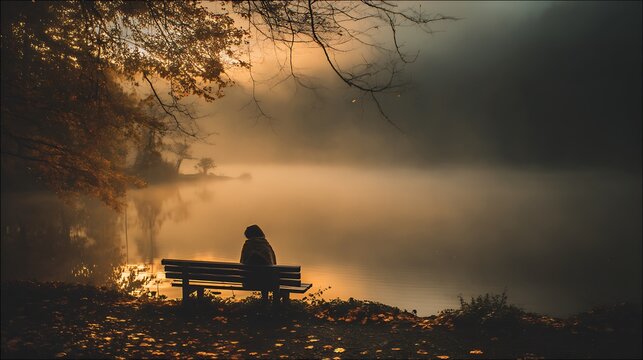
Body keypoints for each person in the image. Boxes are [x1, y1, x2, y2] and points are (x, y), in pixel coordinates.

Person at [240, 224, 277, 302]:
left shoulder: (247, 245)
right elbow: (273, 263)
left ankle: (264, 303)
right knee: (265, 275)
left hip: (249, 282)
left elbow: (242, 262)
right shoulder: (266, 245)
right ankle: (266, 302)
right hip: (268, 282)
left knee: (260, 275)